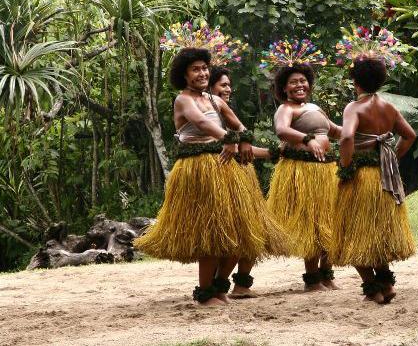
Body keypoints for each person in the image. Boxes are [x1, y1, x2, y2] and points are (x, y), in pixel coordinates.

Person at [134, 48, 282, 306]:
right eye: (195, 69)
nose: (202, 73)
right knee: (210, 232)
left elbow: (239, 125)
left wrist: (244, 140)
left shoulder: (215, 101)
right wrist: (228, 138)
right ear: (184, 74)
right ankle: (205, 292)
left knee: (237, 231)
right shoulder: (183, 99)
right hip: (198, 169)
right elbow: (201, 124)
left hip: (224, 169)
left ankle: (219, 287)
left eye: (204, 68)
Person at [329, 55, 416, 304]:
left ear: (355, 81)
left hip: (361, 177)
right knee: (375, 232)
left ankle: (372, 288)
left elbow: (346, 138)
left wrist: (346, 167)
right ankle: (387, 285)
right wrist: (392, 157)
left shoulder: (354, 108)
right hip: (384, 176)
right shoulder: (387, 106)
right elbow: (409, 135)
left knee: (354, 233)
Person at [207, 66, 284, 298]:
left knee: (255, 231)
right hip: (223, 177)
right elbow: (229, 149)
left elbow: (244, 150)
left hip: (242, 178)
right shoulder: (207, 115)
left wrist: (274, 153)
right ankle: (217, 284)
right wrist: (273, 152)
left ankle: (239, 285)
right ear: (210, 88)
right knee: (234, 234)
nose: (228, 88)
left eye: (229, 84)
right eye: (223, 84)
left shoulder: (228, 112)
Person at [264, 63, 342, 291]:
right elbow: (282, 130)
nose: (299, 85)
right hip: (302, 171)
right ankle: (312, 278)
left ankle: (327, 274)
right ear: (284, 88)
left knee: (329, 221)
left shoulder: (315, 107)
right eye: (293, 82)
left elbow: (334, 131)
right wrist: (307, 140)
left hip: (325, 170)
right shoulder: (286, 109)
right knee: (312, 223)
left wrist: (359, 131)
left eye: (303, 81)